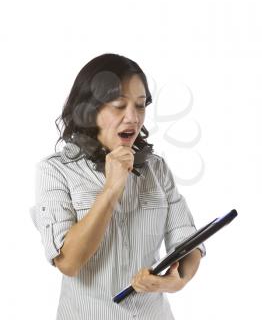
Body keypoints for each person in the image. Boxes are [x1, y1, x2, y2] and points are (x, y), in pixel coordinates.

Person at [30, 53, 206, 320]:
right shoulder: (55, 171)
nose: (133, 118)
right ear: (90, 111)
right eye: (118, 105)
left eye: (140, 105)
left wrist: (178, 280)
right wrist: (111, 188)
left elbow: (185, 239)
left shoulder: (155, 168)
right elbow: (68, 262)